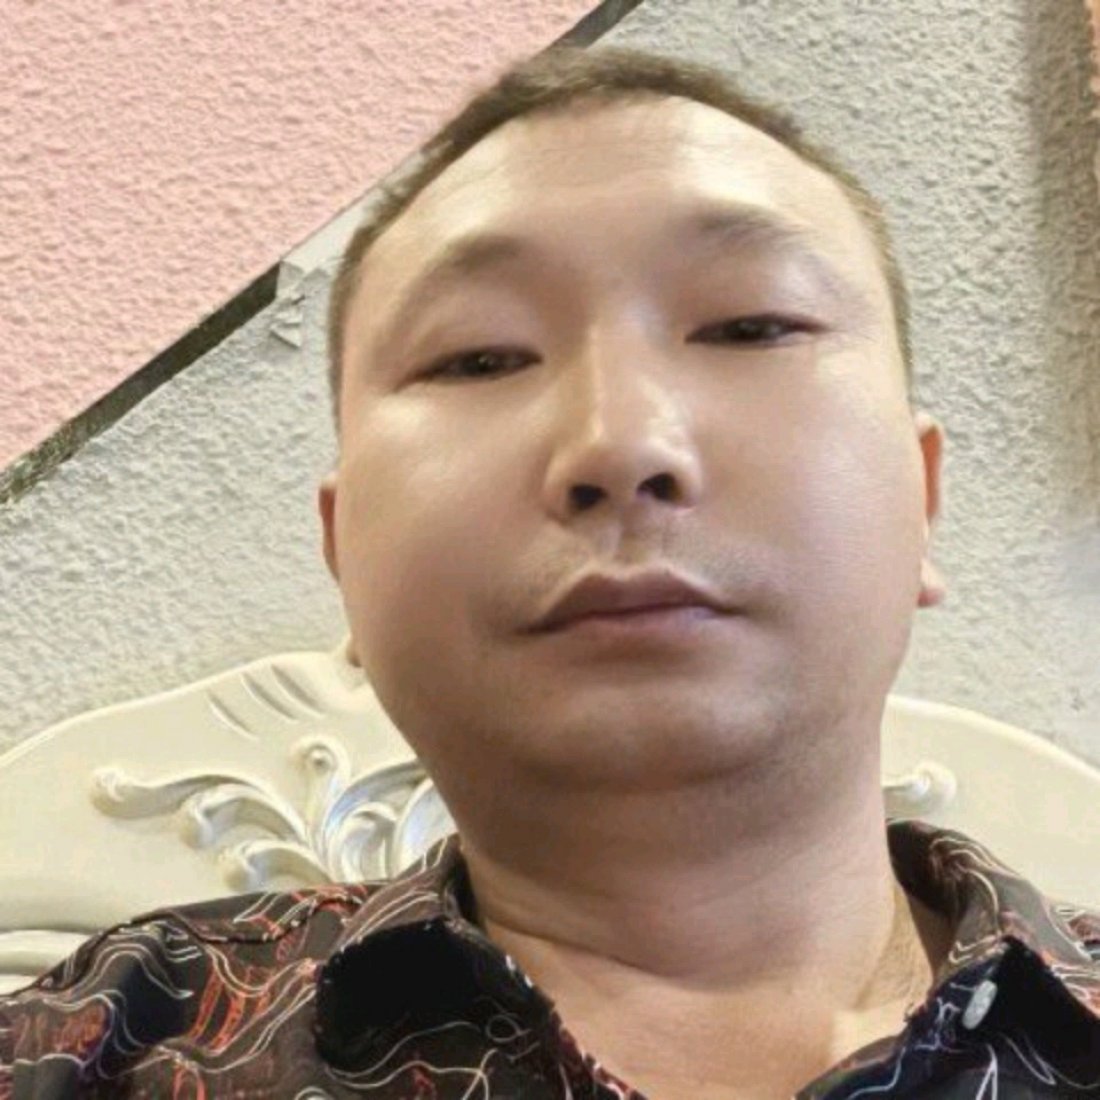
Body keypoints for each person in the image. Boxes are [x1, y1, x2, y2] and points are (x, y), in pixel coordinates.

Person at [3, 43, 1099, 1100]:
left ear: (921, 499)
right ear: (342, 551)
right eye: (478, 357)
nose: (620, 443)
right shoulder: (103, 1044)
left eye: (748, 326)